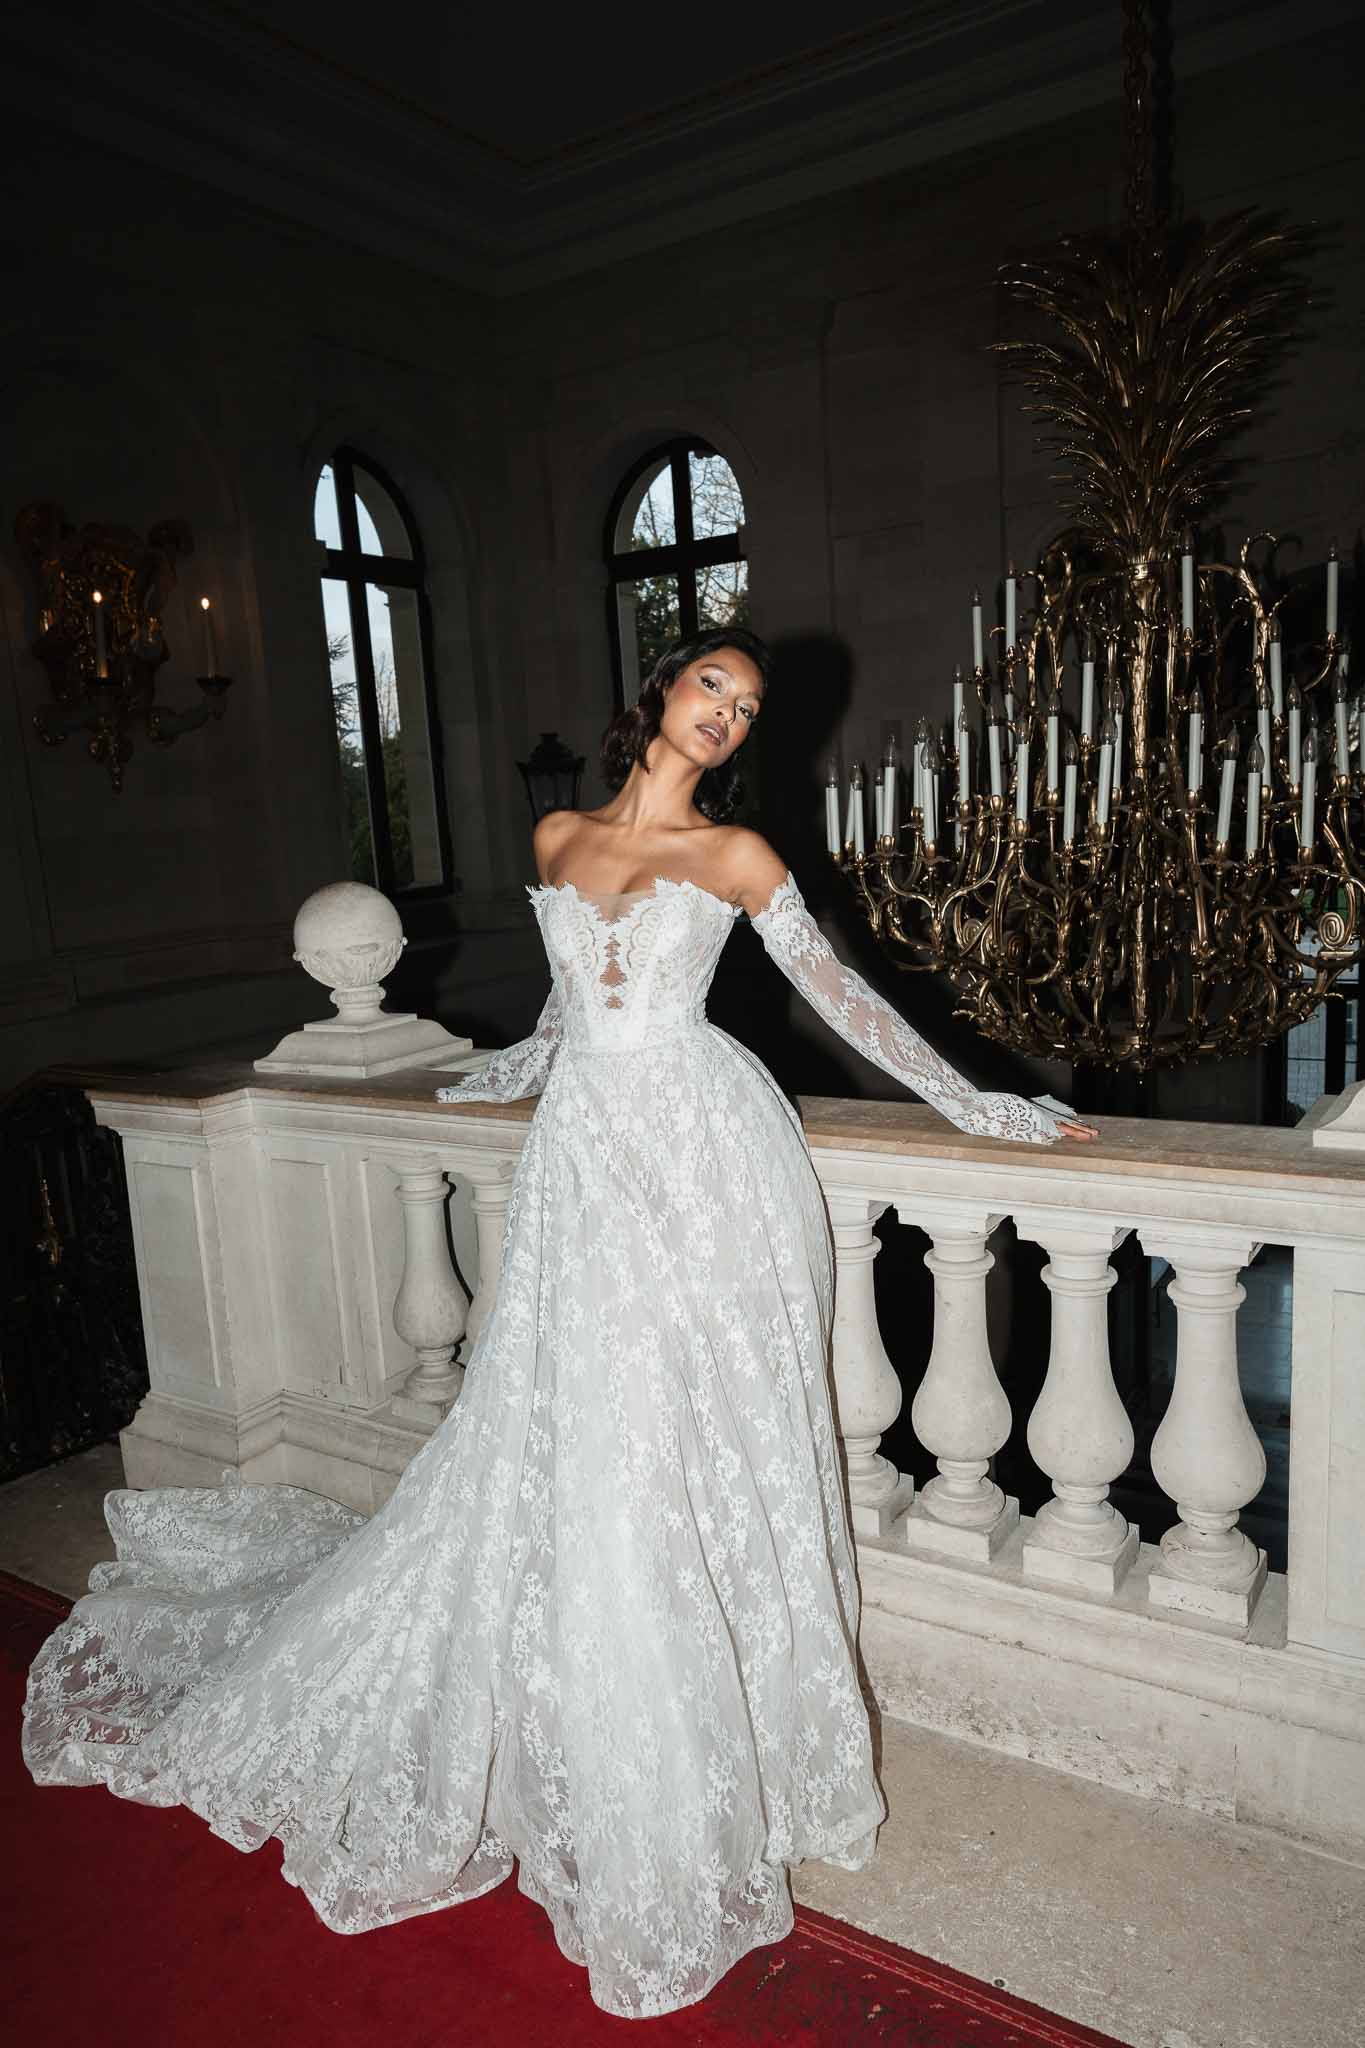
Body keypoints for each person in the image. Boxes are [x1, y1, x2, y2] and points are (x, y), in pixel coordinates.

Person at [23, 629, 1095, 2021]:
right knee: (577, 1424)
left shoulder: (742, 859)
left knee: (688, 1430)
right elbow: (566, 998)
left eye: (748, 708)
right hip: (587, 1153)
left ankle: (699, 1736)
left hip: (708, 1161)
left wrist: (983, 1103)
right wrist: (520, 1065)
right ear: (658, 691)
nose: (726, 714)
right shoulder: (553, 834)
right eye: (711, 685)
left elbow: (847, 1007)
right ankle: (600, 1710)